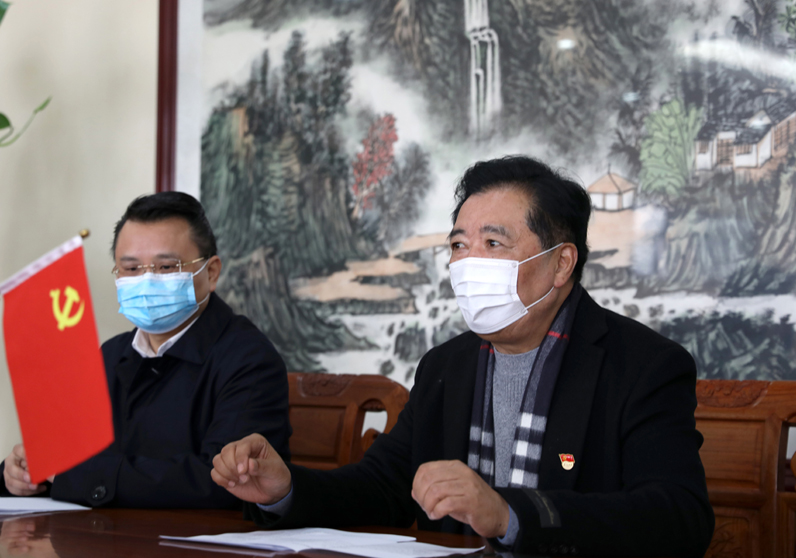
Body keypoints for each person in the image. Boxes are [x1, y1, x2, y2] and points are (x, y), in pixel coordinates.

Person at [211, 156, 715, 556]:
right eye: (458, 245)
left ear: (561, 263)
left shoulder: (643, 365)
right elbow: (383, 488)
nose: (469, 262)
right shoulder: (445, 366)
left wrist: (508, 514)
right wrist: (284, 490)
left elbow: (678, 518)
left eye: (493, 242)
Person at [1, 192, 291, 508]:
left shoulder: (249, 360)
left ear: (211, 273)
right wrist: (20, 473)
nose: (147, 280)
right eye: (131, 269)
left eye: (166, 266)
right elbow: (60, 455)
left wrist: (76, 475)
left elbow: (229, 482)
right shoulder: (109, 355)